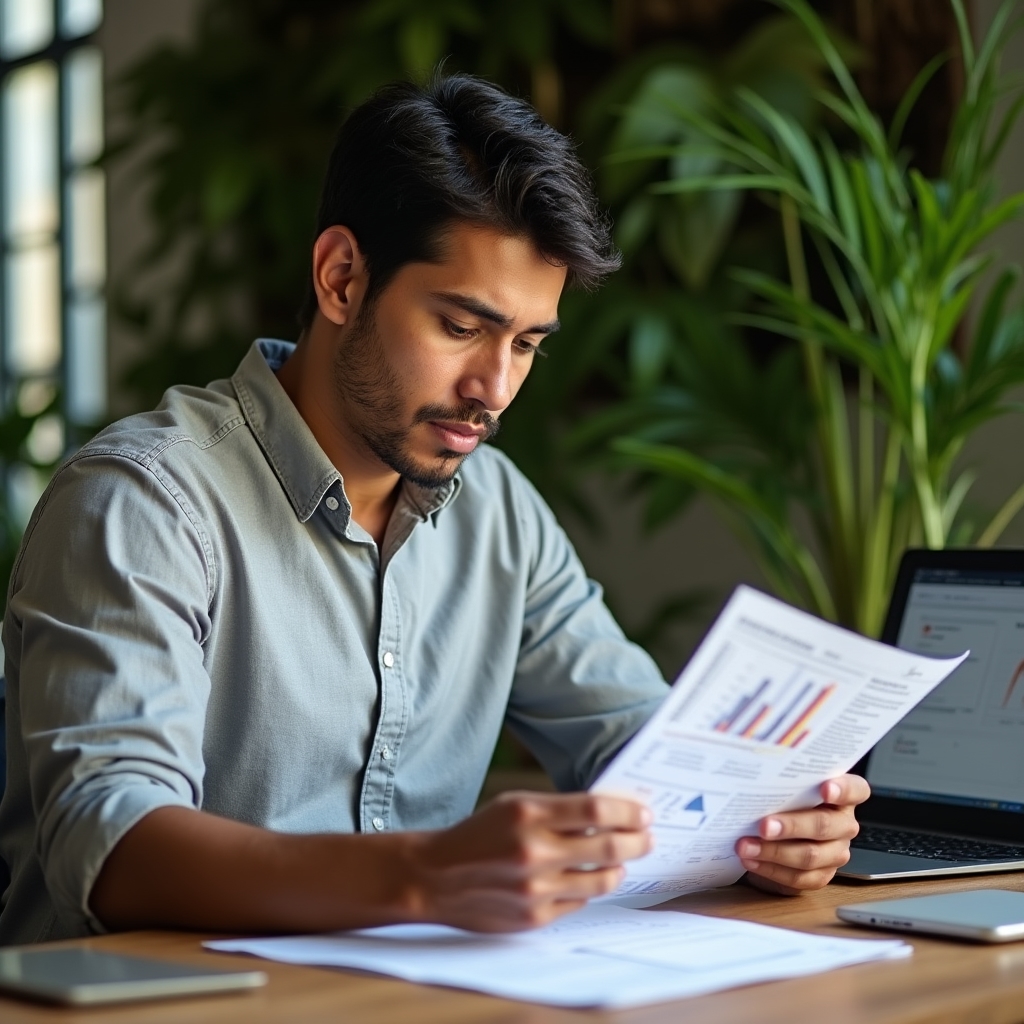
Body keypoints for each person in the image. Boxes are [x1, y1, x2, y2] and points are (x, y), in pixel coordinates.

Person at [0, 73, 866, 946]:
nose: (494, 388)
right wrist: (425, 875)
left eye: (526, 343)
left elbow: (643, 754)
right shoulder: (143, 503)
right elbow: (109, 846)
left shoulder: (499, 513)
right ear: (341, 279)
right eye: (461, 327)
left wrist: (766, 823)